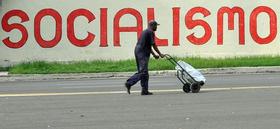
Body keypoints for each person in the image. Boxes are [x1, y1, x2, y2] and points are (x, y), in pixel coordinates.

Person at [125, 20, 165, 95]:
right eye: (156, 26)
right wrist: (160, 54)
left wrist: (154, 54)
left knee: (145, 73)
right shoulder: (150, 32)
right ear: (152, 25)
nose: (156, 27)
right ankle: (129, 83)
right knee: (143, 72)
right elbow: (153, 45)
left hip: (139, 51)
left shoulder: (145, 31)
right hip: (142, 52)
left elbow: (148, 46)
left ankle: (144, 90)